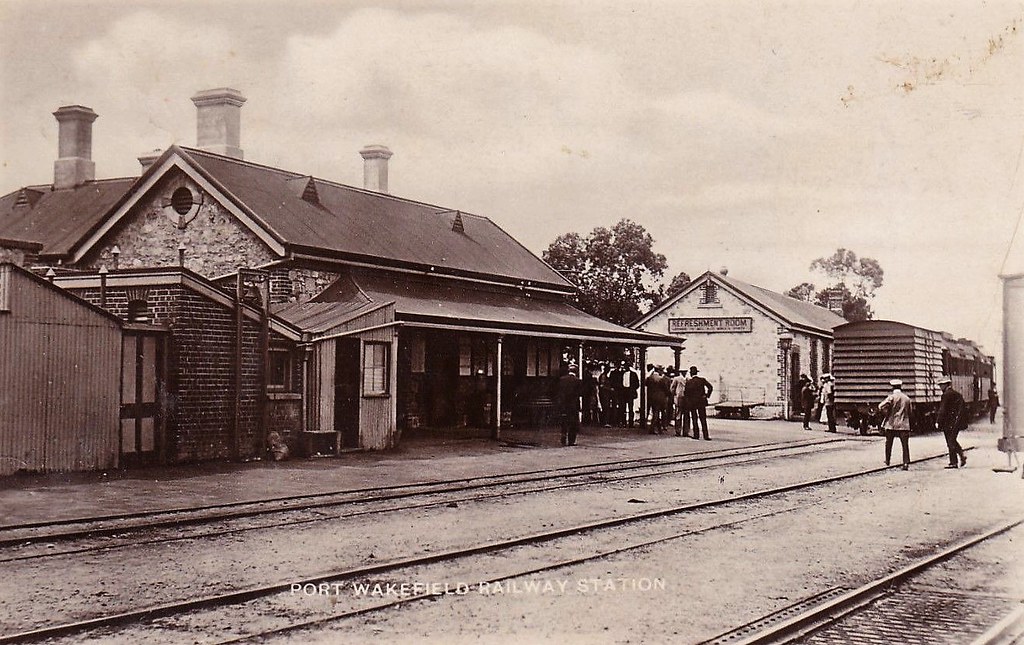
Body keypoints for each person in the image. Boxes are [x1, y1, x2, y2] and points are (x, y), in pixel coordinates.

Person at [879, 378, 912, 470]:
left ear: (892, 387)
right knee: (905, 445)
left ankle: (887, 460)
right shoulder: (907, 398)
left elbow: (880, 406)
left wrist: (886, 412)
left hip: (891, 424)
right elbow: (910, 412)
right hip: (904, 425)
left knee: (889, 443)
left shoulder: (891, 397)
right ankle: (905, 463)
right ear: (901, 387)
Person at [936, 376, 967, 468]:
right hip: (956, 422)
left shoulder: (946, 395)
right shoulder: (957, 394)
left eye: (941, 385)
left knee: (950, 441)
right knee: (952, 440)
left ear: (945, 385)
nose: (940, 387)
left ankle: (954, 462)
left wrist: (938, 421)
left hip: (948, 423)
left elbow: (942, 409)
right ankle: (961, 456)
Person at [683, 365, 714, 440]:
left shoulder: (689, 382)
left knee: (694, 419)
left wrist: (688, 402)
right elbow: (710, 387)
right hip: (701, 402)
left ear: (691, 374)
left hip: (692, 403)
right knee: (703, 419)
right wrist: (707, 395)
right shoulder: (702, 380)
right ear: (697, 372)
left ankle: (696, 435)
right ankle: (706, 436)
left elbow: (686, 393)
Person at [557, 364, 584, 446]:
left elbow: (559, 392)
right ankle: (571, 440)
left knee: (564, 421)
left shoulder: (562, 379)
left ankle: (563, 438)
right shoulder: (578, 381)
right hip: (573, 405)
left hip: (563, 404)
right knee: (573, 423)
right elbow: (580, 393)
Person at [645, 367, 669, 434]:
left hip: (652, 397)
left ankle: (659, 429)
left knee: (655, 412)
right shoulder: (661, 379)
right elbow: (666, 389)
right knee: (656, 413)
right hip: (660, 398)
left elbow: (646, 384)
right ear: (658, 370)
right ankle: (652, 428)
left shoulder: (650, 378)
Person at [621, 361, 641, 427]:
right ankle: (623, 422)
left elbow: (637, 384)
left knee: (630, 408)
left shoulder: (633, 374)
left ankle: (631, 423)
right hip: (624, 391)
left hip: (630, 391)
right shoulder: (622, 374)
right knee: (623, 407)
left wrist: (632, 389)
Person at [671, 368, 689, 436]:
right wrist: (674, 396)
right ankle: (678, 431)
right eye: (683, 371)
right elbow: (672, 388)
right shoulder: (676, 379)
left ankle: (685, 431)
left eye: (685, 371)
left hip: (686, 398)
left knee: (686, 415)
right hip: (679, 398)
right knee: (678, 415)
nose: (684, 373)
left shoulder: (688, 379)